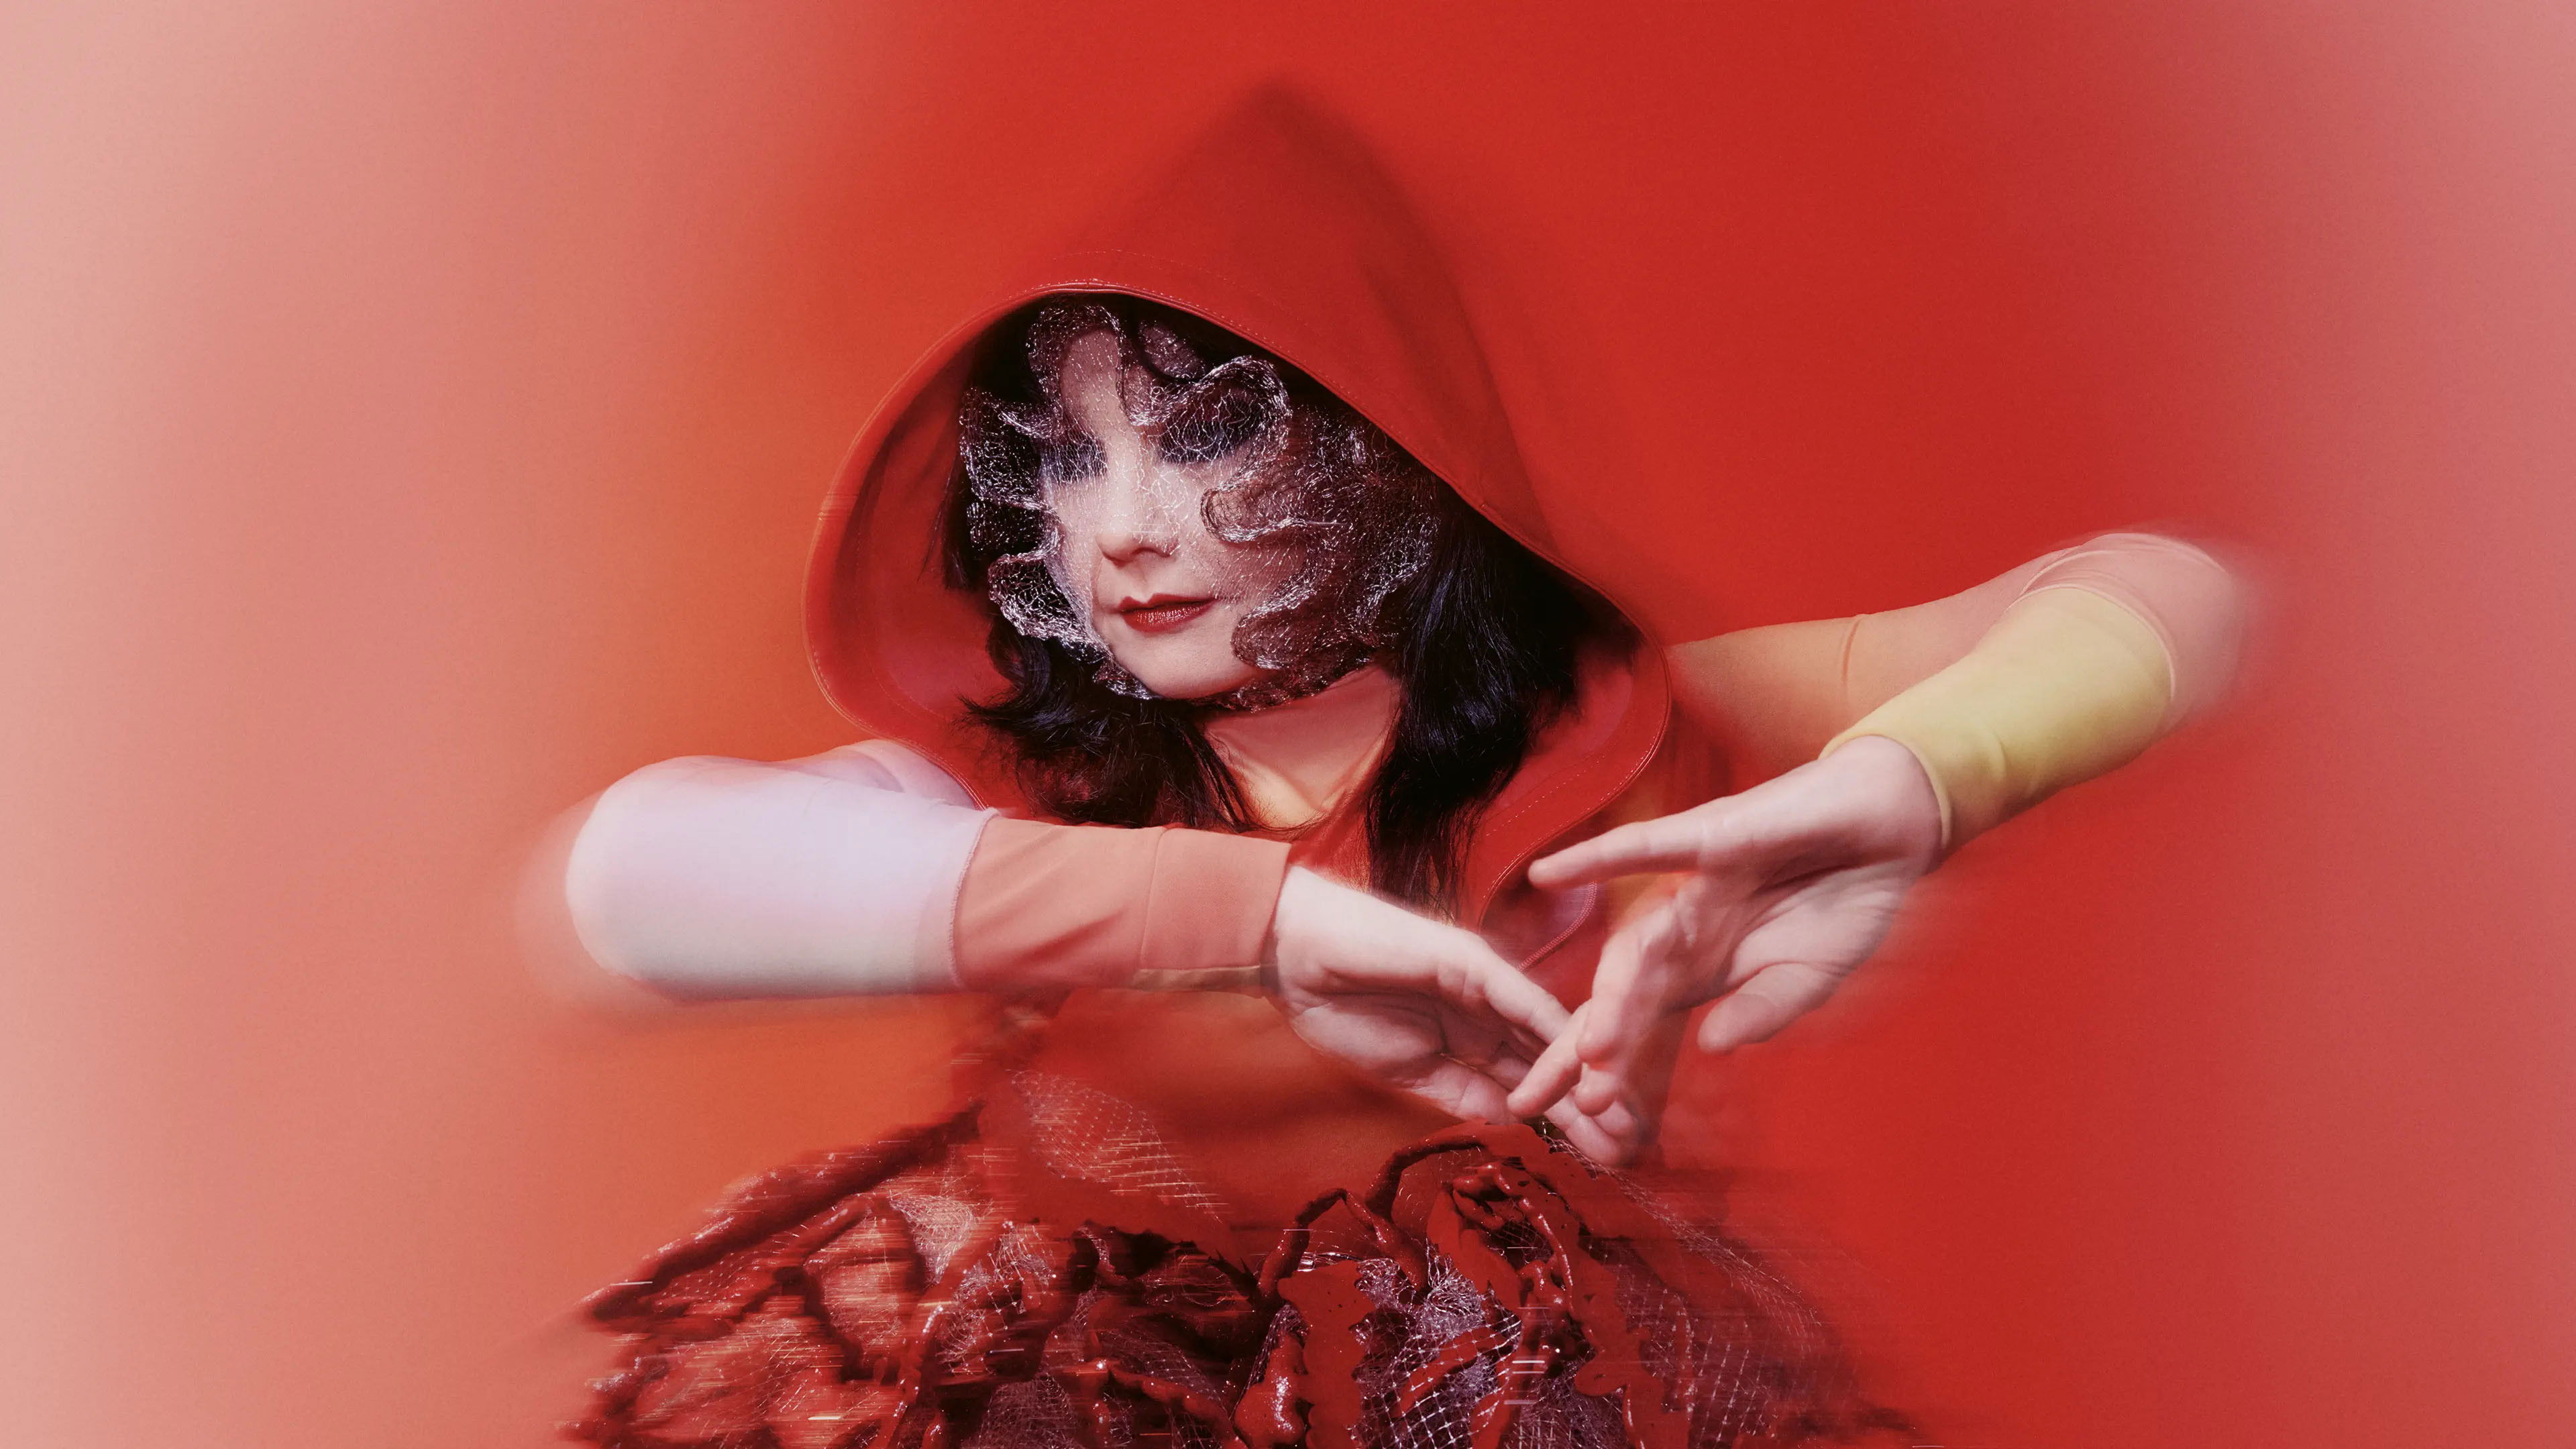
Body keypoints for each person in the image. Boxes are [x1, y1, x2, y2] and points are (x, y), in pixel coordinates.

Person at [552, 96, 2242, 1449]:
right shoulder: (1046, 795)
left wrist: (1927, 777)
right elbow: (627, 879)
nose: (1121, 527)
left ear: (1393, 440)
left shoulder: (1633, 739)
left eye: (1214, 430)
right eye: (1066, 458)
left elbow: (2176, 594)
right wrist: (1238, 914)